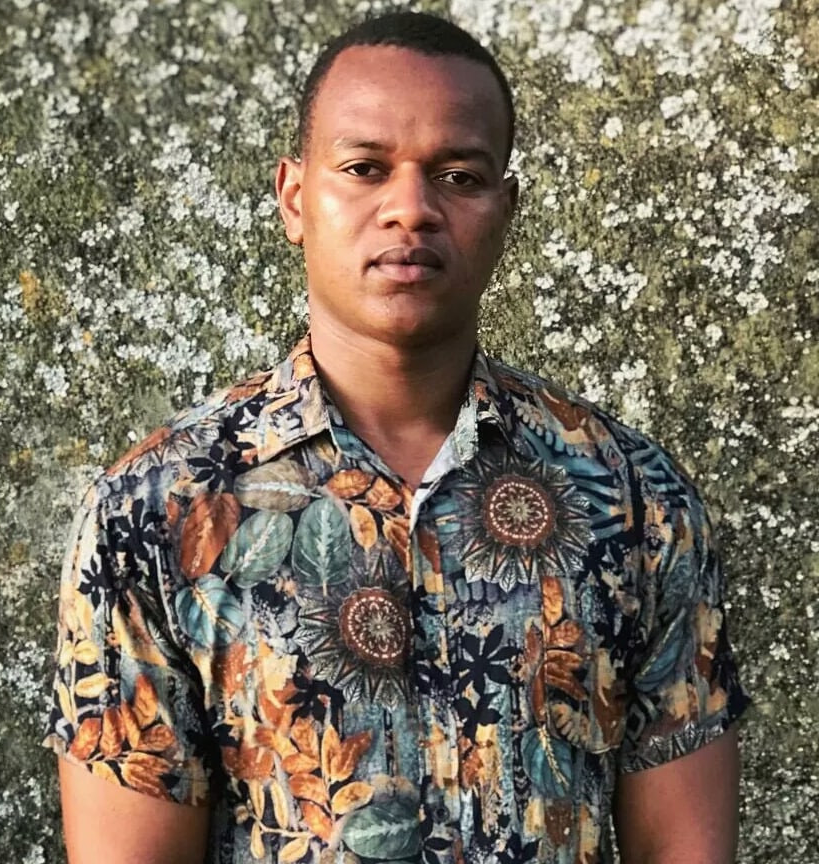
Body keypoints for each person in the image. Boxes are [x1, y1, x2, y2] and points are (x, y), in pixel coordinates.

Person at [44, 11, 749, 864]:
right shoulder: (156, 511)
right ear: (295, 198)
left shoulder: (634, 499)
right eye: (364, 168)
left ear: (506, 208)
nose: (411, 207)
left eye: (458, 175)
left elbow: (684, 844)